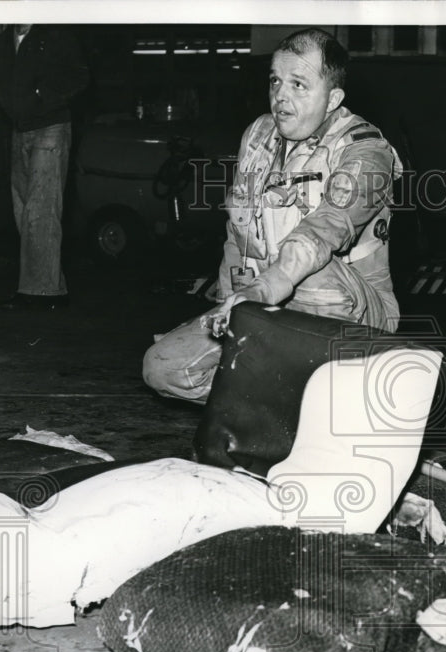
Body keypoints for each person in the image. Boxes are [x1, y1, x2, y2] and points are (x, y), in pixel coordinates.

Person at [143, 28, 402, 403]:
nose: (281, 95)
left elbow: (323, 232)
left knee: (315, 273)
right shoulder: (258, 136)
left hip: (354, 312)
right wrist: (231, 305)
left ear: (333, 99)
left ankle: (323, 393)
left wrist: (261, 291)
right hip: (267, 304)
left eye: (299, 84)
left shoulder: (366, 152)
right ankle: (279, 402)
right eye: (275, 81)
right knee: (162, 368)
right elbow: (238, 235)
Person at [0, 24, 89, 310]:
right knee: (23, 208)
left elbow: (80, 76)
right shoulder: (4, 39)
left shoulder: (57, 32)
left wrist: (40, 96)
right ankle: (46, 287)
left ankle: (41, 292)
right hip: (19, 127)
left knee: (42, 209)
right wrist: (14, 105)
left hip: (51, 125)